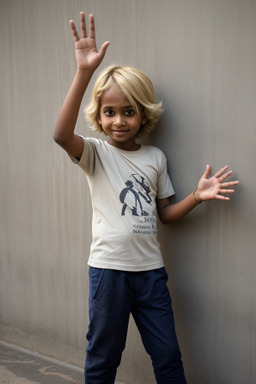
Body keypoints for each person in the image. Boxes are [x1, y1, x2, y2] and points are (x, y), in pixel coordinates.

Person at [53, 12, 239, 384]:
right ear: (99, 117)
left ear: (143, 115)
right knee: (104, 355)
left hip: (151, 275)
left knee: (167, 354)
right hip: (108, 273)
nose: (119, 120)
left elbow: (165, 215)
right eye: (110, 112)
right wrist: (84, 74)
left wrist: (197, 197)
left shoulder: (155, 158)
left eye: (128, 112)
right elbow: (60, 135)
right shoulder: (95, 153)